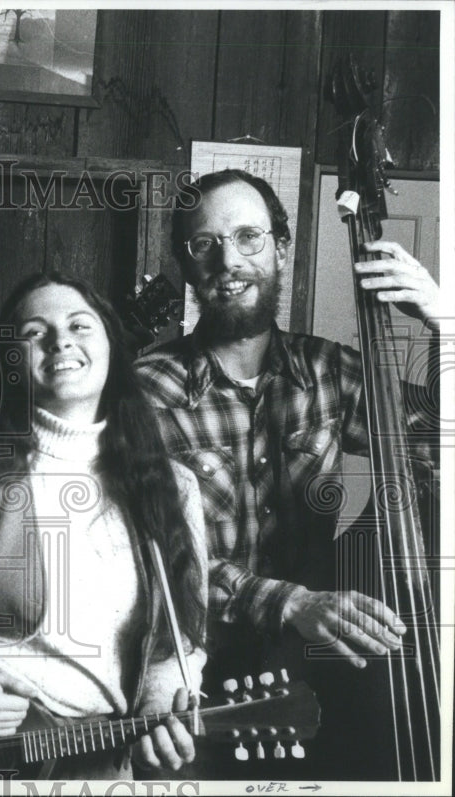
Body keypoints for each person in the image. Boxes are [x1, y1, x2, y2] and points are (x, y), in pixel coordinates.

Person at [134, 168, 440, 778]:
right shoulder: (141, 393)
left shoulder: (332, 372)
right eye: (205, 244)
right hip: (196, 681)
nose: (229, 260)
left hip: (317, 673)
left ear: (279, 247)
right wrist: (291, 601)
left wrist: (444, 319)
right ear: (187, 264)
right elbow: (154, 554)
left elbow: (443, 444)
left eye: (248, 237)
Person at [0, 273, 208, 780]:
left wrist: (162, 714)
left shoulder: (171, 487)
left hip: (100, 762)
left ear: (112, 345)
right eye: (33, 332)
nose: (60, 340)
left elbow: (178, 641)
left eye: (79, 325)